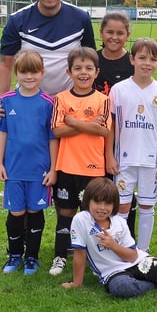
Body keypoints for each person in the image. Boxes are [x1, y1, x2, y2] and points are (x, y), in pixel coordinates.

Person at [0, 0, 96, 117]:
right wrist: (2, 98)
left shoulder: (81, 18)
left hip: (70, 105)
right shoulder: (17, 20)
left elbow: (91, 61)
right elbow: (5, 65)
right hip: (28, 104)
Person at [105, 38, 157, 253]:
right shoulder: (118, 90)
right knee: (122, 208)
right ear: (132, 59)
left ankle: (143, 253)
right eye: (142, 58)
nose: (147, 63)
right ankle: (120, 251)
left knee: (147, 207)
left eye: (153, 59)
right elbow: (111, 126)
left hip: (150, 162)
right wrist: (109, 155)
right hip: (123, 161)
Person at [61, 177, 157, 297]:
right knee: (122, 287)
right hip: (113, 271)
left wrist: (113, 245)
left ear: (114, 205)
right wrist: (76, 284)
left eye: (108, 203)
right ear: (88, 201)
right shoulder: (81, 220)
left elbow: (133, 256)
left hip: (137, 262)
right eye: (97, 202)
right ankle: (156, 284)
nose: (102, 208)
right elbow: (80, 253)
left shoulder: (119, 222)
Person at [48, 47, 111, 276]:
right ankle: (60, 256)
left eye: (88, 68)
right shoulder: (61, 99)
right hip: (66, 166)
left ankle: (96, 259)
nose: (83, 72)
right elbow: (56, 131)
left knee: (93, 215)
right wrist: (89, 125)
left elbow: (103, 131)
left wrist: (73, 122)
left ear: (96, 72)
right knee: (65, 213)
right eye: (78, 68)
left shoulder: (103, 100)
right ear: (69, 72)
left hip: (93, 168)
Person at [0, 50, 58, 275]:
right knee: (16, 213)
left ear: (42, 73)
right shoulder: (7, 100)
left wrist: (53, 169)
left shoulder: (48, 103)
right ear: (16, 73)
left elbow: (53, 138)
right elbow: (2, 134)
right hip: (13, 170)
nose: (29, 77)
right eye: (24, 72)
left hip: (39, 171)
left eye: (34, 72)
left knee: (34, 212)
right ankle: (14, 255)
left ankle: (32, 257)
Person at [93, 10, 138, 240]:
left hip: (124, 137)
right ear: (101, 32)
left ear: (128, 35)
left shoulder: (133, 62)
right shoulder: (92, 60)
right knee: (96, 188)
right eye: (109, 32)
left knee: (123, 188)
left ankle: (127, 237)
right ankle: (93, 236)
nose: (114, 37)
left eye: (120, 33)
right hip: (92, 136)